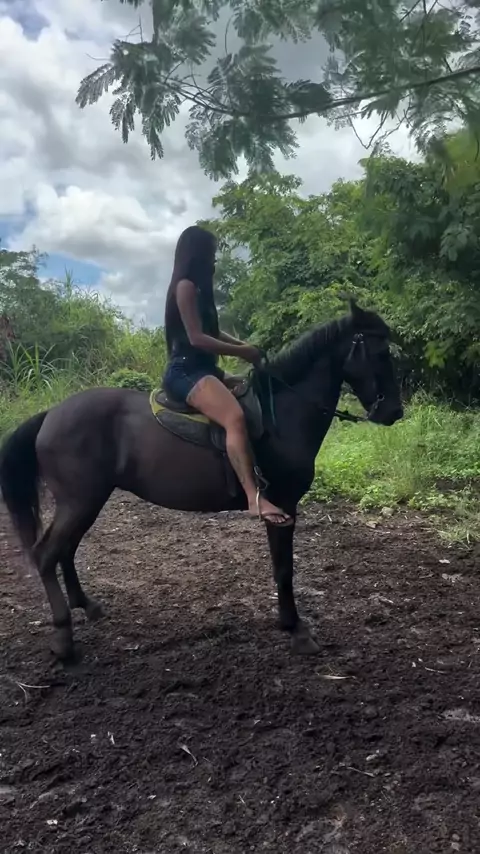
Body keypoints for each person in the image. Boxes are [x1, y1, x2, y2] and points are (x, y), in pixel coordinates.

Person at [163, 225, 293, 527]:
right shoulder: (184, 287)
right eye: (211, 253)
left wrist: (245, 346)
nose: (214, 260)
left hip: (206, 370)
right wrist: (242, 353)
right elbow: (196, 338)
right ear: (196, 255)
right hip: (185, 372)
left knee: (250, 392)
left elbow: (214, 332)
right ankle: (253, 498)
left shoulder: (199, 290)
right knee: (234, 417)